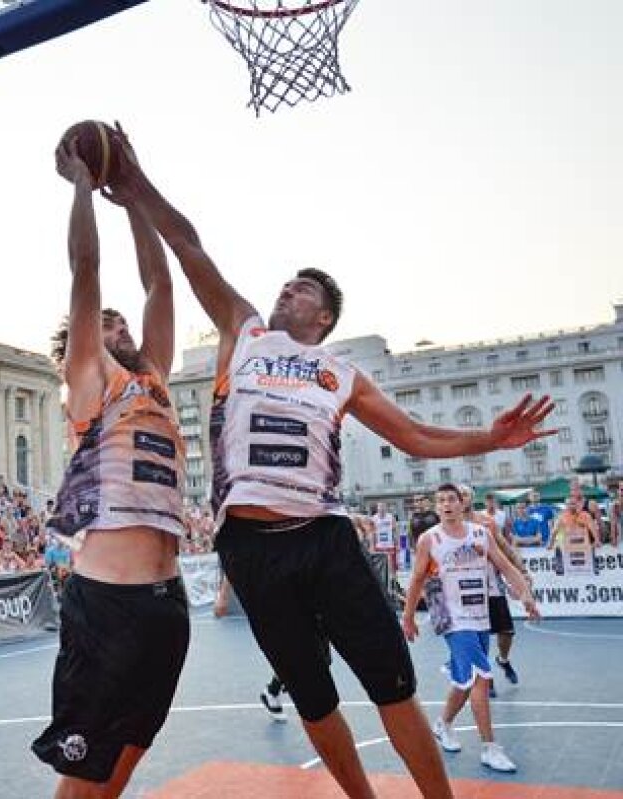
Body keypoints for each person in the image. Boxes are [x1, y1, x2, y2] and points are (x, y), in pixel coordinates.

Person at [126, 136, 555, 798]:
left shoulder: (340, 372)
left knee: (392, 685)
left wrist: (488, 440)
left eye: (303, 288)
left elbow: (414, 435)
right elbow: (187, 246)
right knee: (312, 695)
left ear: (322, 318)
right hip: (250, 545)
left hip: (323, 537)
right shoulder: (243, 331)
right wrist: (135, 181)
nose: (288, 287)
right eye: (288, 282)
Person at [31, 127, 190, 799]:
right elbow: (86, 272)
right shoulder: (91, 384)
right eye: (107, 324)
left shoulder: (153, 378)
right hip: (106, 602)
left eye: (123, 323)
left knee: (126, 757)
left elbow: (160, 282)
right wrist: (81, 185)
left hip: (166, 602)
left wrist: (133, 197)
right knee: (85, 771)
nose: (120, 328)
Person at [403, 484, 540, 773]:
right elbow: (416, 579)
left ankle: (443, 724)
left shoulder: (480, 533)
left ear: (461, 504)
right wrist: (408, 616)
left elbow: (506, 566)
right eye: (441, 501)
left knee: (464, 681)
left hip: (480, 615)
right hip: (451, 618)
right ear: (437, 507)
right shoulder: (430, 539)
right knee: (480, 677)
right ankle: (490, 748)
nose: (446, 504)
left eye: (451, 499)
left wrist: (526, 595)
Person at [457, 486, 527, 693]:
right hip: (466, 588)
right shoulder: (450, 526)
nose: (462, 498)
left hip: (491, 583)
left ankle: (503, 660)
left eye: (465, 494)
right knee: (479, 634)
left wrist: (522, 571)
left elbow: (505, 548)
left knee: (506, 631)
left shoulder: (486, 522)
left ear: (471, 498)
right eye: (458, 495)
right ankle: (486, 676)